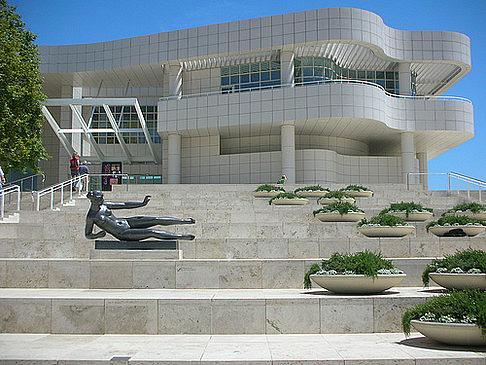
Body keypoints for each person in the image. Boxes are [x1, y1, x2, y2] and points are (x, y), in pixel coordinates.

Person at [85, 190, 196, 241]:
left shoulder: (105, 205)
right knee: (152, 232)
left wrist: (142, 203)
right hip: (122, 233)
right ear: (94, 200)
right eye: (100, 198)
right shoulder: (91, 216)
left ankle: (183, 221)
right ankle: (181, 237)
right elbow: (88, 234)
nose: (102, 199)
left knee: (155, 219)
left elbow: (124, 205)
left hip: (126, 222)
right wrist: (97, 236)